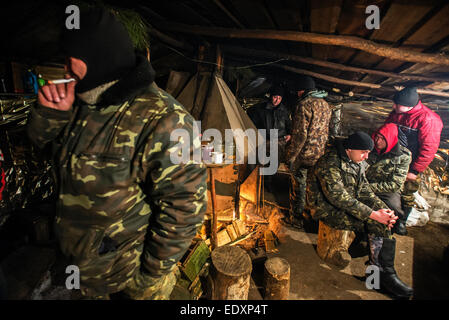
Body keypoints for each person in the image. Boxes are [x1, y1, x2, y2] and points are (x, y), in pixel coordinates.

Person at [26, 8, 207, 300]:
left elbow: (185, 210)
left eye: (72, 64)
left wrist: (146, 277)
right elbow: (44, 151)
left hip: (125, 281)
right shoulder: (79, 102)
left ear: (98, 58)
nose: (66, 73)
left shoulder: (166, 120)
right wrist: (49, 116)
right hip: (78, 267)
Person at [307, 131, 413, 299]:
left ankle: (379, 274)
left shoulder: (356, 161)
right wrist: (373, 215)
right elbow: (338, 198)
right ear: (349, 149)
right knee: (374, 222)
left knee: (383, 220)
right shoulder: (329, 163)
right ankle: (379, 276)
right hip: (327, 209)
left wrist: (382, 209)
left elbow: (364, 189)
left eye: (368, 153)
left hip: (346, 203)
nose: (366, 156)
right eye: (363, 152)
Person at [385, 87, 443, 232]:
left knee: (407, 193)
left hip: (411, 164)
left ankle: (401, 223)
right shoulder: (398, 113)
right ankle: (389, 219)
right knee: (391, 191)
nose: (394, 107)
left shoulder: (428, 119)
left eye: (397, 104)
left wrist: (414, 171)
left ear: (409, 105)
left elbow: (429, 149)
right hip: (393, 159)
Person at [285, 76, 332, 228]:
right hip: (320, 154)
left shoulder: (303, 105)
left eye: (298, 91)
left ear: (302, 91)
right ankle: (312, 218)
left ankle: (296, 219)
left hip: (304, 155)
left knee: (299, 186)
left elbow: (300, 135)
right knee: (314, 188)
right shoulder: (325, 105)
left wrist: (291, 156)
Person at [366, 123, 412, 235]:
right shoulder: (369, 148)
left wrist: (368, 187)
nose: (378, 141)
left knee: (393, 206)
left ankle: (397, 223)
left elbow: (395, 184)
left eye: (382, 138)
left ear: (390, 139)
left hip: (386, 189)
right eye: (377, 137)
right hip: (365, 183)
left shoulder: (403, 156)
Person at [247, 85, 291, 190]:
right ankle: (259, 182)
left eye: (280, 98)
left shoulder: (284, 111)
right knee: (262, 161)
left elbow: (288, 124)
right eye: (275, 97)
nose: (277, 100)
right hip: (264, 140)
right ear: (271, 96)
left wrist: (290, 134)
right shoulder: (260, 109)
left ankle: (269, 182)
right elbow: (250, 118)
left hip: (279, 140)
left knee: (274, 163)